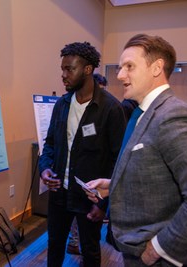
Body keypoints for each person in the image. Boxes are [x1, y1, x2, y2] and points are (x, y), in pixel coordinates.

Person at [85, 34, 187, 267]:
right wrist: (113, 185)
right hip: (135, 250)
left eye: (129, 66)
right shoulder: (143, 114)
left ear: (156, 68)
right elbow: (157, 178)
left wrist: (158, 249)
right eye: (121, 67)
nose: (120, 74)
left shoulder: (173, 116)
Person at [39, 41, 128, 266]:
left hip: (89, 198)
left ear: (87, 70)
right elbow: (49, 144)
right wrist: (45, 168)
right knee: (55, 245)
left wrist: (102, 205)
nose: (64, 74)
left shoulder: (111, 109)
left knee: (90, 249)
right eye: (62, 69)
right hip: (59, 192)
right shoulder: (62, 105)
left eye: (70, 69)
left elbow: (118, 160)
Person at [65, 72, 112, 255]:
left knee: (91, 245)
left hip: (95, 186)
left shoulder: (110, 109)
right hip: (75, 185)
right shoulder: (66, 105)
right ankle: (74, 242)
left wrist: (103, 202)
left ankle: (79, 245)